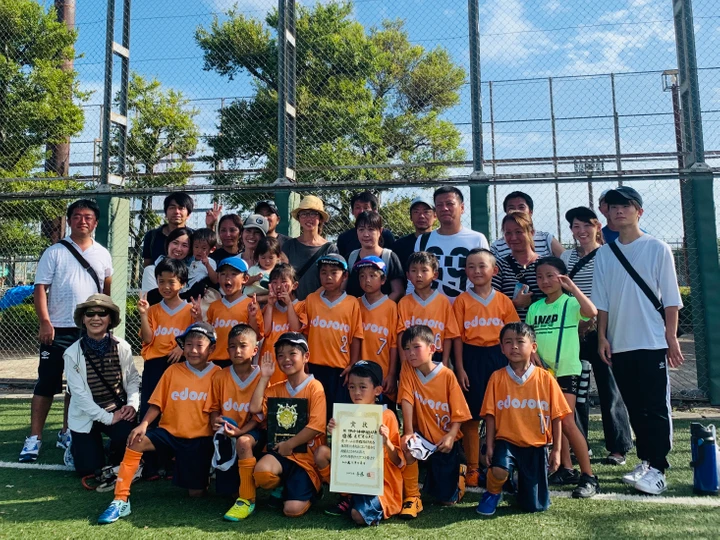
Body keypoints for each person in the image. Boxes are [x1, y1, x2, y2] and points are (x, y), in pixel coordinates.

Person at [592, 186, 684, 495]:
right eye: (614, 207)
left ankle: (658, 468)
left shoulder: (657, 248)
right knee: (634, 406)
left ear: (638, 211)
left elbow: (671, 299)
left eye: (626, 206)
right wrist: (603, 337)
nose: (619, 211)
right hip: (620, 344)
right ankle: (646, 460)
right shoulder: (604, 253)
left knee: (655, 406)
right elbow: (601, 301)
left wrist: (671, 337)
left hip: (652, 341)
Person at [97, 322, 221, 524]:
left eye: (200, 345)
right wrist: (144, 424)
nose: (193, 350)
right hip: (169, 434)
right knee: (136, 440)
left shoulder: (218, 375)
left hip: (199, 440)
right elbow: (157, 403)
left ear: (212, 349)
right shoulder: (172, 371)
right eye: (188, 345)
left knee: (196, 493)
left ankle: (202, 472)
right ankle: (120, 499)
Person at [20, 199, 114, 463]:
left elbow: (105, 290)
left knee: (78, 385)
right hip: (58, 329)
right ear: (69, 220)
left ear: (95, 222)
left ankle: (67, 432)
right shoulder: (55, 252)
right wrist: (45, 322)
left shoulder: (103, 254)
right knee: (47, 383)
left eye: (88, 217)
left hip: (89, 332)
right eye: (77, 216)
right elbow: (41, 288)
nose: (82, 221)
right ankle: (34, 438)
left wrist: (103, 323)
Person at [561, 207, 632, 466]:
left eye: (586, 225)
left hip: (602, 331)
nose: (581, 231)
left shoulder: (609, 254)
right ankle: (581, 445)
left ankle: (618, 447)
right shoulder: (567, 256)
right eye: (575, 227)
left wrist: (599, 328)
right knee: (574, 390)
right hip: (574, 332)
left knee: (609, 388)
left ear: (597, 226)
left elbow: (611, 295)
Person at [475, 323, 570, 516]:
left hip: (536, 443)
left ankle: (517, 483)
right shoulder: (497, 377)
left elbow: (557, 416)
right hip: (506, 441)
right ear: (501, 348)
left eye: (520, 342)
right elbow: (491, 415)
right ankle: (493, 492)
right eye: (508, 342)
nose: (514, 347)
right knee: (499, 469)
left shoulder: (546, 379)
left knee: (534, 506)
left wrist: (557, 450)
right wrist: (490, 444)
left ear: (533, 347)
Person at [526, 257, 600, 498]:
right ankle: (566, 469)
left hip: (567, 370)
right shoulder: (535, 308)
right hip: (543, 373)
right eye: (540, 277)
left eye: (551, 276)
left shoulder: (569, 303)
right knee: (553, 421)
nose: (544, 281)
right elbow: (529, 339)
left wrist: (572, 287)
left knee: (567, 422)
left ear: (562, 277)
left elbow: (591, 312)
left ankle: (589, 476)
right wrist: (532, 356)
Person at [452, 248, 519, 487]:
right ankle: (472, 467)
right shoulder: (461, 301)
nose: (477, 271)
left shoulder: (503, 301)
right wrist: (459, 368)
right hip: (471, 359)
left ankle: (502, 464)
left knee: (501, 414)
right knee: (471, 416)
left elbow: (514, 335)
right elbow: (457, 337)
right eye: (471, 266)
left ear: (494, 270)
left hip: (498, 358)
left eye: (482, 266)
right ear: (465, 272)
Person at [314, 361, 404, 525]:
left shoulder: (387, 416)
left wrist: (387, 443)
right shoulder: (346, 415)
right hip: (355, 476)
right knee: (321, 453)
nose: (356, 392)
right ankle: (346, 496)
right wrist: (333, 433)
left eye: (363, 387)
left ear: (377, 390)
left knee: (358, 516)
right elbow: (344, 455)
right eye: (352, 387)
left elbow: (398, 461)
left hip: (381, 484)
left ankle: (356, 503)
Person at [398, 325, 472, 519]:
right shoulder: (407, 368)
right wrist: (408, 431)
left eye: (416, 347)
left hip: (443, 441)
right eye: (406, 348)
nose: (410, 353)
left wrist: (451, 436)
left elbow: (459, 412)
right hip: (422, 436)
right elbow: (406, 399)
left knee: (447, 500)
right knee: (406, 444)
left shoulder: (446, 374)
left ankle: (460, 474)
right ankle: (412, 497)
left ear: (432, 348)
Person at [250, 333, 327, 518]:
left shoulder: (315, 387)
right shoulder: (276, 388)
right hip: (281, 453)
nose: (286, 359)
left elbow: (316, 426)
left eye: (292, 353)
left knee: (291, 510)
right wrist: (264, 377)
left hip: (305, 458)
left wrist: (289, 444)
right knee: (261, 473)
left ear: (305, 357)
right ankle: (284, 485)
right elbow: (254, 408)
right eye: (281, 355)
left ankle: (313, 490)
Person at [65, 294, 139, 476]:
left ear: (110, 319)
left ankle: (111, 446)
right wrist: (108, 418)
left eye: (102, 313)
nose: (96, 318)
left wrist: (132, 405)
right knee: (89, 470)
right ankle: (76, 446)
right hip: (86, 415)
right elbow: (79, 396)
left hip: (117, 410)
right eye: (90, 313)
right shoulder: (71, 353)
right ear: (83, 318)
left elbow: (132, 379)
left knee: (122, 462)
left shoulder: (122, 347)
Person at [205, 324, 264, 521]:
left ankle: (247, 499)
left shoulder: (262, 377)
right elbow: (213, 407)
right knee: (224, 492)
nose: (237, 350)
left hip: (252, 432)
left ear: (255, 350)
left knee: (244, 442)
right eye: (232, 346)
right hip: (227, 432)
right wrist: (215, 421)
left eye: (242, 345)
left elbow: (260, 417)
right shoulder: (220, 376)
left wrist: (240, 432)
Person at [301, 254, 363, 419]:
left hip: (340, 370)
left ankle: (333, 446)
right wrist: (304, 362)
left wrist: (353, 365)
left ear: (345, 275)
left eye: (334, 272)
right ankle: (317, 445)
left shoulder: (352, 303)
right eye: (323, 272)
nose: (328, 276)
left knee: (339, 417)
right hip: (314, 366)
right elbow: (304, 333)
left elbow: (356, 336)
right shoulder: (311, 300)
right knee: (315, 414)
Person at [410, 187, 488, 303]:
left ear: (462, 208)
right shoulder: (423, 240)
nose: (444, 208)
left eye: (449, 204)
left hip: (467, 310)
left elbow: (486, 278)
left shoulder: (477, 239)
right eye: (439, 205)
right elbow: (415, 275)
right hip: (432, 312)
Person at [137, 259, 193, 421]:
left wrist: (182, 347)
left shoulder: (190, 310)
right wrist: (143, 314)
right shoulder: (152, 310)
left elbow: (196, 338)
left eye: (171, 282)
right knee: (151, 405)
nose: (165, 287)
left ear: (182, 283)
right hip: (154, 364)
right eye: (161, 282)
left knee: (175, 406)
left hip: (179, 363)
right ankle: (147, 438)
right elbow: (148, 339)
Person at [196, 256, 263, 369]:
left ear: (245, 279)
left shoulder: (250, 305)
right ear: (218, 278)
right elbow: (207, 335)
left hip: (240, 362)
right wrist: (198, 318)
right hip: (215, 362)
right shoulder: (214, 306)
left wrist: (252, 317)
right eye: (223, 274)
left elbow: (256, 336)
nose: (227, 278)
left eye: (233, 274)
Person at [397, 252, 460, 366]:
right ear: (408, 275)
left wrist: (445, 361)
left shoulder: (443, 302)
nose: (419, 275)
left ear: (435, 275)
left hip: (437, 356)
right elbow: (401, 334)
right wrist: (403, 363)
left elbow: (449, 335)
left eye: (424, 270)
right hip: (411, 357)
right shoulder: (404, 303)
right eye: (414, 270)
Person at [354, 257, 399, 406]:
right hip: (358, 373)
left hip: (383, 374)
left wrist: (392, 374)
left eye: (372, 275)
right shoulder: (355, 304)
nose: (367, 280)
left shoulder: (391, 307)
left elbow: (393, 344)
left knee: (384, 419)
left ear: (383, 279)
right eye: (362, 276)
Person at [282, 195, 339, 301]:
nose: (308, 218)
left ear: (320, 218)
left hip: (320, 307)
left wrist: (310, 301)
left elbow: (334, 280)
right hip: (292, 306)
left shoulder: (330, 249)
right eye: (304, 214)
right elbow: (282, 276)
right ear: (298, 218)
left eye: (313, 214)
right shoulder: (289, 246)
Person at [492, 212, 544, 322]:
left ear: (531, 232)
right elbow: (491, 306)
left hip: (543, 331)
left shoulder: (546, 264)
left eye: (519, 232)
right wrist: (515, 304)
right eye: (508, 233)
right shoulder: (499, 266)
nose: (513, 237)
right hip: (512, 334)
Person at [260, 264, 307, 386]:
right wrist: (270, 305)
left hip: (290, 362)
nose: (279, 286)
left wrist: (289, 304)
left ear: (294, 285)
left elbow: (296, 329)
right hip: (269, 361)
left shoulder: (301, 306)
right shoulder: (268, 308)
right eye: (274, 282)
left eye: (284, 282)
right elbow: (265, 331)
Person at [346, 211, 405, 302]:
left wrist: (378, 309)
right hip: (355, 314)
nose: (366, 234)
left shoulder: (389, 257)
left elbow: (398, 291)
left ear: (380, 231)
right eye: (361, 229)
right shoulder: (350, 258)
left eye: (371, 229)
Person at [490, 191, 564, 259]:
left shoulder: (547, 239)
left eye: (521, 207)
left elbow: (567, 261)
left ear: (530, 212)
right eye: (511, 208)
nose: (517, 211)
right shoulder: (497, 246)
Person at [336, 191, 395, 260]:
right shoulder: (344, 238)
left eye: (366, 207)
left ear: (374, 211)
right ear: (352, 211)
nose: (361, 211)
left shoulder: (386, 235)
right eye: (358, 207)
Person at [140, 227, 193, 303]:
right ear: (168, 244)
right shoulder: (151, 271)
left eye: (184, 245)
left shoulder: (193, 272)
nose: (178, 248)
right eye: (175, 243)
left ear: (190, 250)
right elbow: (152, 301)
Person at [142, 192, 194, 267]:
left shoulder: (194, 236)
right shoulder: (151, 236)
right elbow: (147, 266)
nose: (176, 211)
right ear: (166, 213)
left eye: (181, 208)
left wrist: (211, 226)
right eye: (172, 207)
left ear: (188, 214)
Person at [392, 196, 436, 273]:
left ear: (435, 216)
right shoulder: (400, 245)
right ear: (411, 217)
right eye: (416, 212)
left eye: (426, 212)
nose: (421, 216)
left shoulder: (442, 242)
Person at [244, 236, 282, 302]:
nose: (267, 261)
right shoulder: (254, 269)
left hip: (268, 301)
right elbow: (244, 282)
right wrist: (255, 278)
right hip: (248, 299)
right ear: (258, 257)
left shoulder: (278, 272)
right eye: (263, 258)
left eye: (271, 258)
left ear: (278, 257)